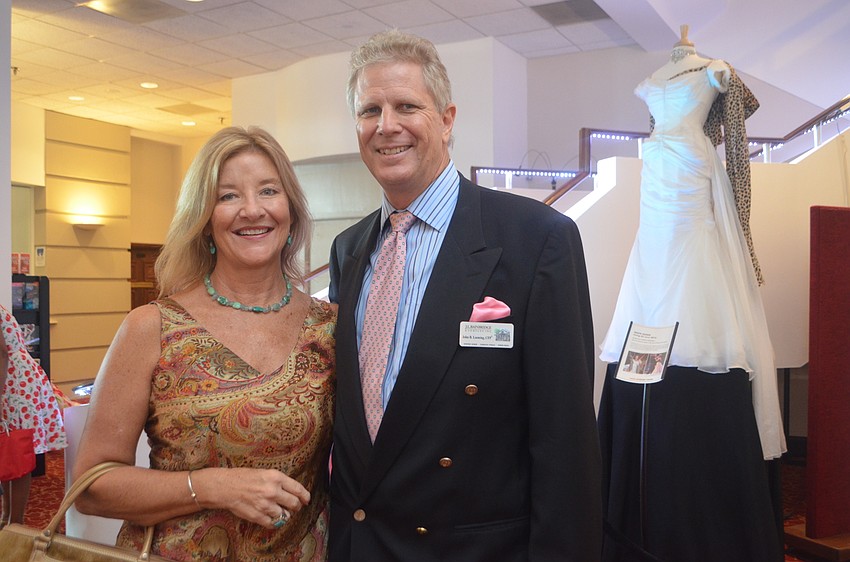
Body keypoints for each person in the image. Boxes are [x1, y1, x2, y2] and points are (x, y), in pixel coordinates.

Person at [328, 29, 602, 561]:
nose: (387, 127)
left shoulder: (536, 239)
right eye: (369, 111)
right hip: (360, 545)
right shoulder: (348, 249)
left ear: (447, 119)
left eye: (407, 106)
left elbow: (565, 444)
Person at [72, 126, 337, 562]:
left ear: (290, 211)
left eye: (268, 191)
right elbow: (92, 486)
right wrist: (210, 486)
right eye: (228, 196)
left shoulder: (331, 327)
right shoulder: (152, 327)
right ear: (204, 219)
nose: (252, 210)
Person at [597, 28, 786, 562]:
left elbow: (743, 110)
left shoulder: (714, 71)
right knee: (653, 259)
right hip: (657, 197)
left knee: (692, 262)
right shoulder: (649, 84)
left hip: (691, 185)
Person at [1, 303, 67, 527]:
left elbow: (1, 354)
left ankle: (15, 523)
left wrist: (0, 394)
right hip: (15, 381)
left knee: (18, 452)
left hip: (13, 383)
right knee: (10, 450)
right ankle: (7, 518)